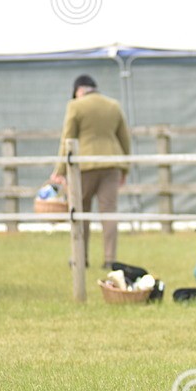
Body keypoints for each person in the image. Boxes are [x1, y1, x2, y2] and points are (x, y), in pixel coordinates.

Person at [50, 75, 131, 269]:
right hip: (111, 164)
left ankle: (80, 257)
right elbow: (124, 139)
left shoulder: (75, 106)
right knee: (109, 212)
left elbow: (67, 139)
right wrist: (125, 167)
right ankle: (110, 259)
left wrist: (59, 170)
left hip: (84, 165)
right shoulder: (113, 105)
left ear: (79, 90)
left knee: (81, 210)